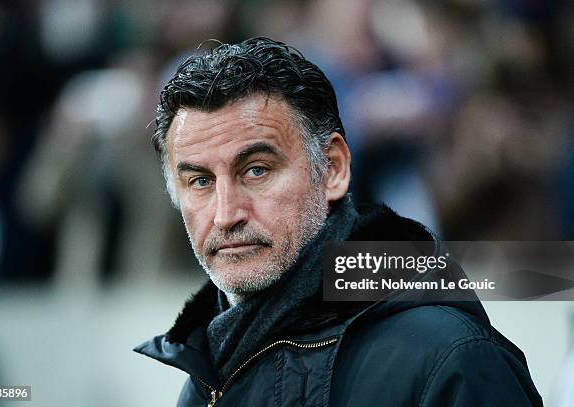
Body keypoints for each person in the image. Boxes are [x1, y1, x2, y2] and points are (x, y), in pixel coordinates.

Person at [134, 37, 542, 406]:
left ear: (332, 169)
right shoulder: (206, 376)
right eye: (200, 181)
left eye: (256, 170)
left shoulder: (453, 358)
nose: (226, 214)